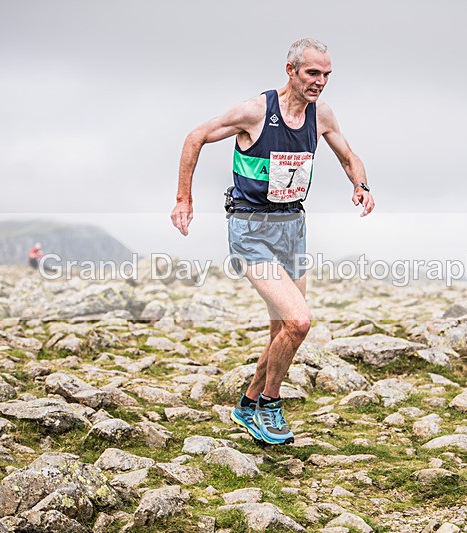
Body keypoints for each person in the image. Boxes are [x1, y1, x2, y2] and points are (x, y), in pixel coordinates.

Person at [171, 38, 375, 445]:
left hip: (292, 229)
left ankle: (247, 404)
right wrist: (183, 199)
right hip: (251, 230)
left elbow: (348, 155)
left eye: (326, 74)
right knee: (299, 322)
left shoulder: (321, 115)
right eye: (312, 73)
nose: (320, 81)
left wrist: (361, 185)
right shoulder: (256, 111)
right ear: (291, 71)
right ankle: (270, 403)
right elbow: (195, 137)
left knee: (282, 328)